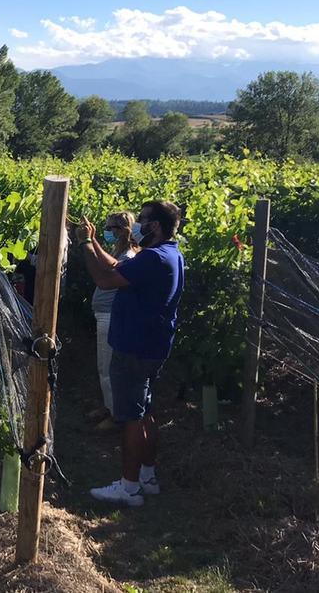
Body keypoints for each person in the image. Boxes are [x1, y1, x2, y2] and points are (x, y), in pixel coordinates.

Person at [76, 201, 185, 507]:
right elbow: (117, 267)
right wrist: (95, 240)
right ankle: (148, 477)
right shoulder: (167, 254)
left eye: (144, 220)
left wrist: (84, 244)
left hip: (135, 347)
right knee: (146, 412)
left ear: (156, 226)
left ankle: (129, 487)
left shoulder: (153, 258)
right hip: (151, 346)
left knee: (131, 418)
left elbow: (105, 280)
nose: (138, 225)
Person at [88, 211, 140, 432]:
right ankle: (109, 407)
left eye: (111, 229)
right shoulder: (118, 252)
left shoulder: (127, 256)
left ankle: (115, 415)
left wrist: (89, 242)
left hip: (111, 317)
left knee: (107, 368)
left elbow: (107, 272)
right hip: (105, 315)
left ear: (123, 231)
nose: (108, 232)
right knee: (105, 366)